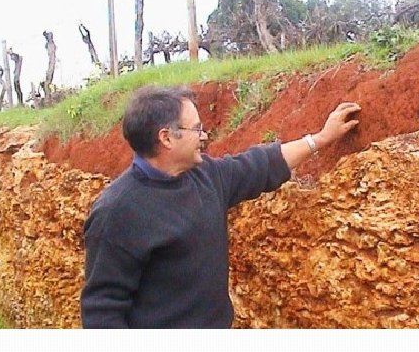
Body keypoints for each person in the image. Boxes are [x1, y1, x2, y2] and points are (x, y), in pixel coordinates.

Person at [81, 85, 361, 328]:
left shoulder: (204, 175)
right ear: (166, 138)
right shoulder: (117, 211)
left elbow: (261, 164)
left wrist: (320, 139)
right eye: (196, 129)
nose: (204, 136)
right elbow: (102, 312)